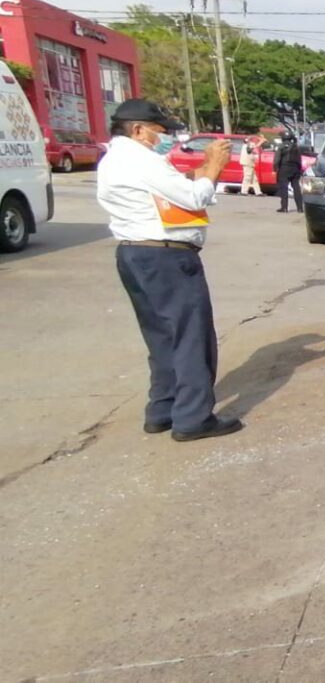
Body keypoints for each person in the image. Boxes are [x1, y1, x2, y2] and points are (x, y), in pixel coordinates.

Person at [97, 98, 243, 442]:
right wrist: (214, 166)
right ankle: (193, 418)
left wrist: (202, 168)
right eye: (159, 131)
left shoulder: (114, 159)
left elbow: (174, 189)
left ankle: (162, 409)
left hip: (135, 254)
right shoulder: (140, 159)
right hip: (166, 257)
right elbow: (194, 197)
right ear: (138, 130)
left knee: (161, 337)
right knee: (190, 337)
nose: (164, 139)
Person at [273, 133, 303, 213]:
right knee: (296, 188)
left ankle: (284, 207)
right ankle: (300, 208)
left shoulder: (281, 146)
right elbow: (299, 159)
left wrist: (275, 169)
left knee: (284, 188)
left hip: (284, 168)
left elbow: (277, 159)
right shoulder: (296, 147)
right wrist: (299, 170)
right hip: (295, 168)